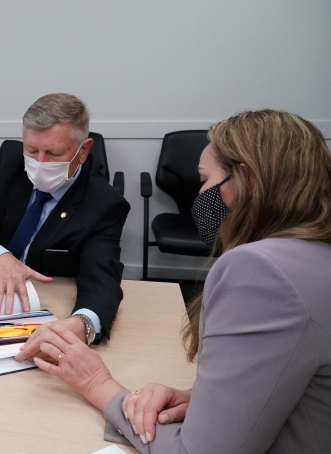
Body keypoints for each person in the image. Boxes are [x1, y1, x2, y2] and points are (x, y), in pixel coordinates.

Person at [29, 109, 331, 452]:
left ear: (246, 179)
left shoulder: (260, 270)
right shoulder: (314, 254)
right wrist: (200, 401)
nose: (200, 195)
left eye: (204, 180)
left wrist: (97, 383)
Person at [0, 93, 130, 345]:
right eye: (31, 150)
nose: (39, 163)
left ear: (83, 150)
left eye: (53, 153)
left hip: (38, 306)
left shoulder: (103, 204)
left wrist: (83, 323)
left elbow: (101, 278)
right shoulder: (12, 162)